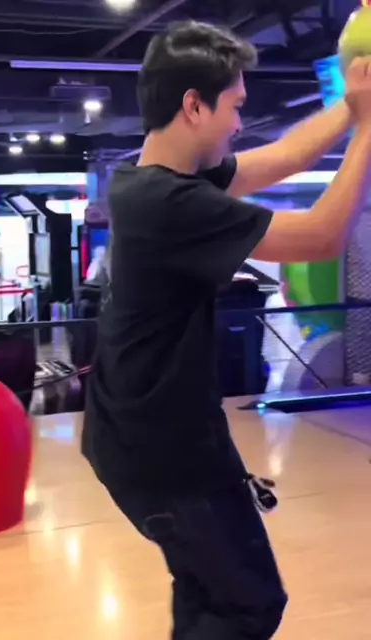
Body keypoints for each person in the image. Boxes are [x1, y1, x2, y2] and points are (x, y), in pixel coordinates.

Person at [81, 19, 371, 640]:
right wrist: (368, 131)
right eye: (235, 106)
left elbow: (287, 156)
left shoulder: (147, 179)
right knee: (248, 604)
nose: (240, 123)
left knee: (208, 594)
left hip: (142, 441)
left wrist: (351, 105)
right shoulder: (172, 204)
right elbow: (321, 237)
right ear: (194, 106)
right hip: (165, 454)